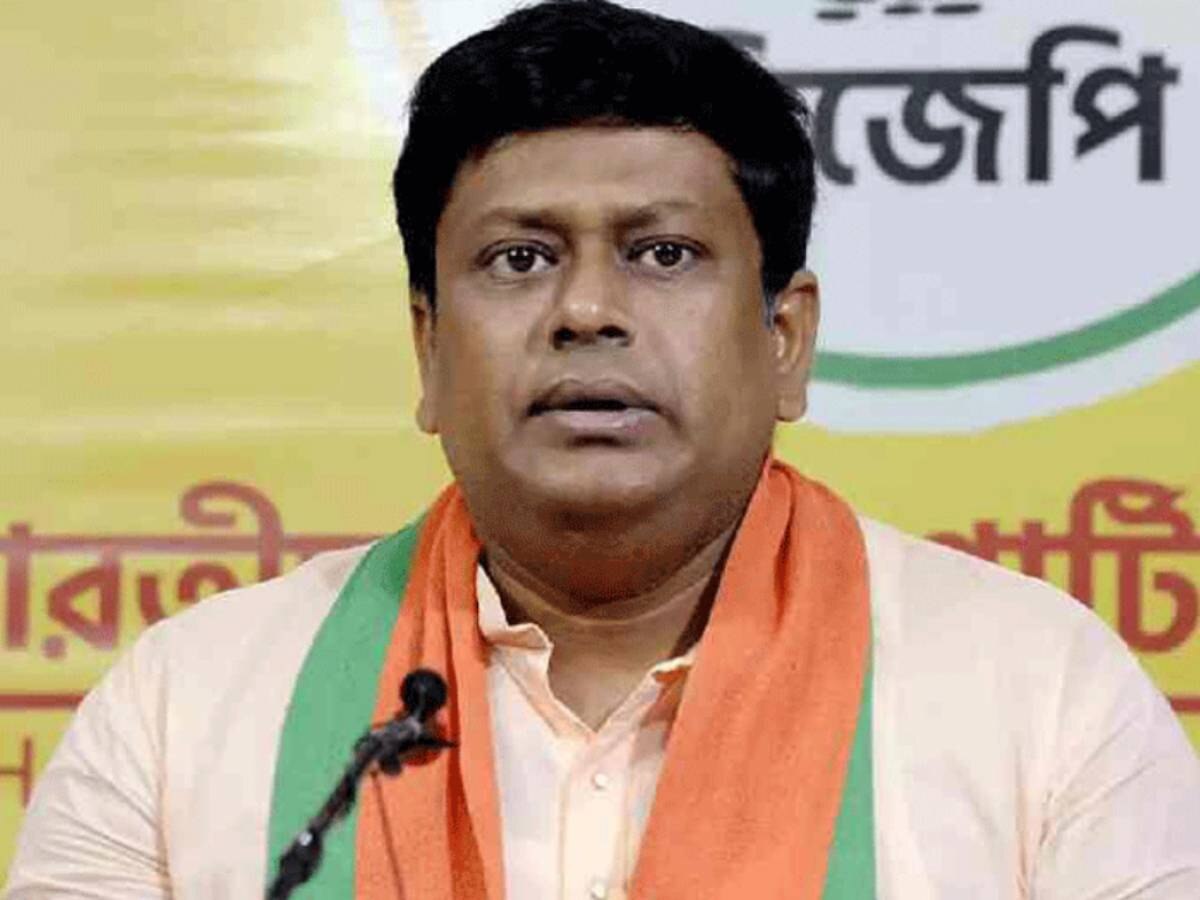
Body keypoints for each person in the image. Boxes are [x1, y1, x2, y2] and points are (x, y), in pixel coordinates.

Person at [7, 1, 1200, 897]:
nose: (586, 310)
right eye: (520, 258)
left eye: (663, 254)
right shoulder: (189, 706)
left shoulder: (1039, 695)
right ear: (429, 350)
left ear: (785, 340)